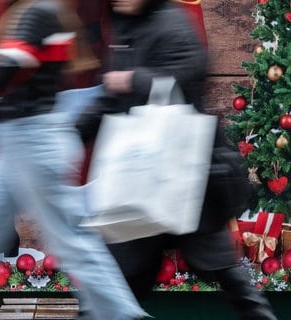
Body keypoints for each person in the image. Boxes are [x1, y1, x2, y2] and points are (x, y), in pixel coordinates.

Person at [75, 0, 278, 319]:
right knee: (114, 287)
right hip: (141, 183)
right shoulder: (124, 29)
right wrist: (72, 132)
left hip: (186, 180)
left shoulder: (172, 21)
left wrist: (133, 79)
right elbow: (110, 99)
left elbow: (190, 75)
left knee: (227, 278)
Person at [0, 1, 148, 319]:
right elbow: (23, 85)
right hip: (18, 140)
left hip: (31, 142)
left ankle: (125, 315)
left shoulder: (38, 13)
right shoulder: (41, 12)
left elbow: (4, 75)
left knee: (72, 243)